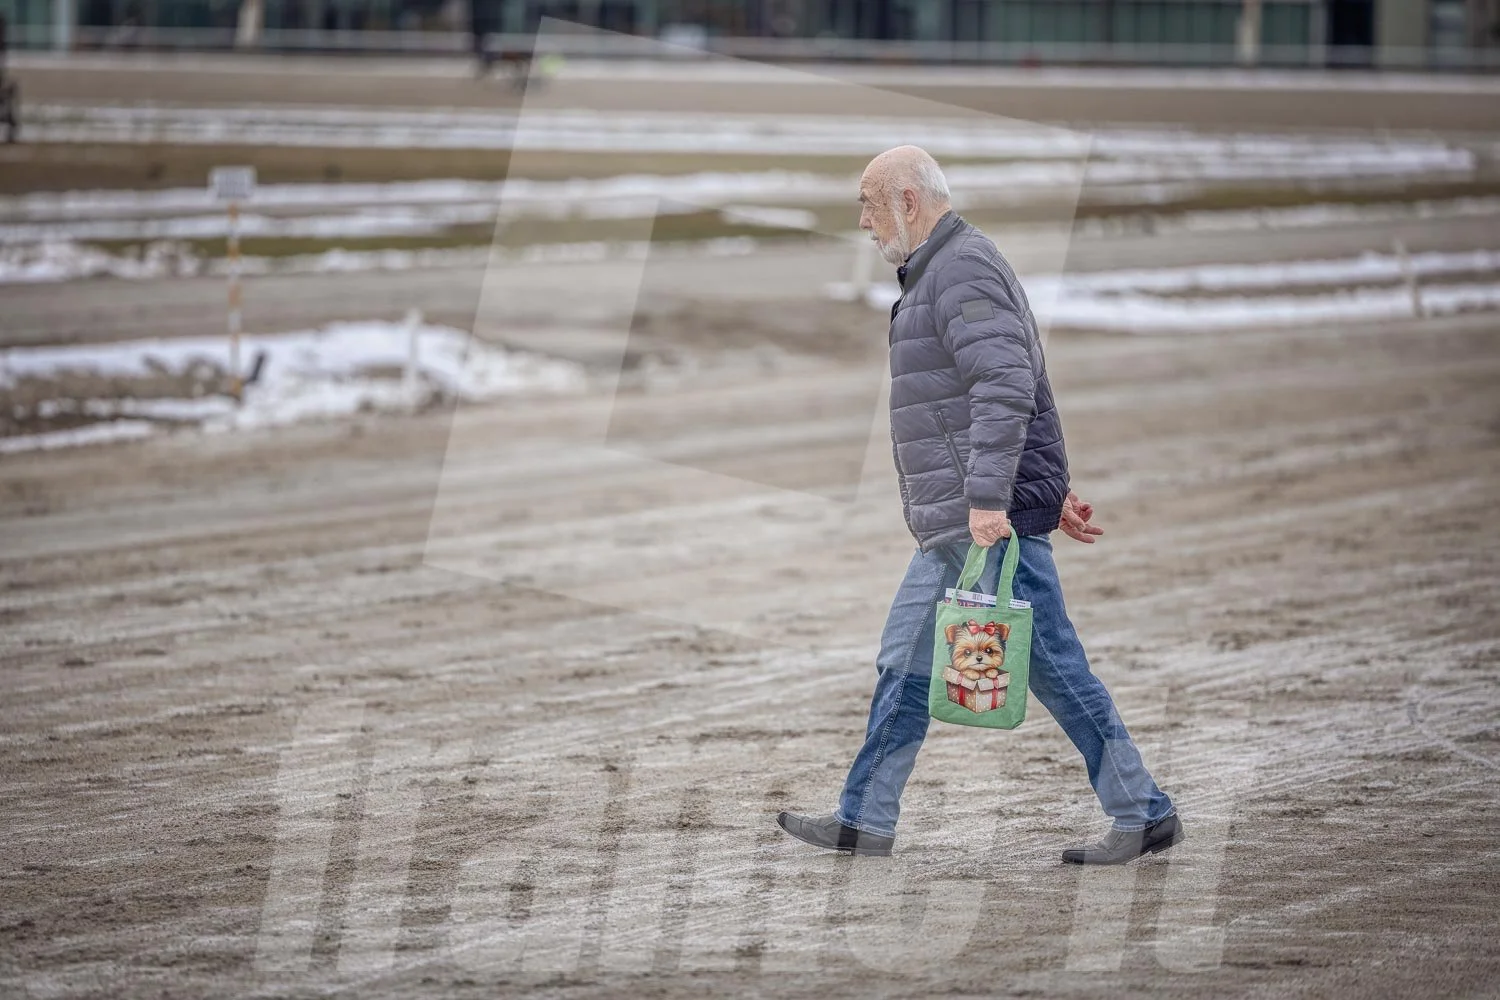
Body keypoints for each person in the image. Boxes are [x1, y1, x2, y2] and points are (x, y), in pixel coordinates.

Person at [776, 146, 1182, 865]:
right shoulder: (943, 267)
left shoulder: (960, 268)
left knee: (1052, 665)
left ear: (908, 201)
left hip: (980, 522)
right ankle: (865, 818)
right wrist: (1043, 492)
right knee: (905, 659)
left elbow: (1005, 384)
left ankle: (1143, 811)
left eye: (869, 205)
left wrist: (1000, 498)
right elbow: (1008, 385)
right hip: (965, 519)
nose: (864, 223)